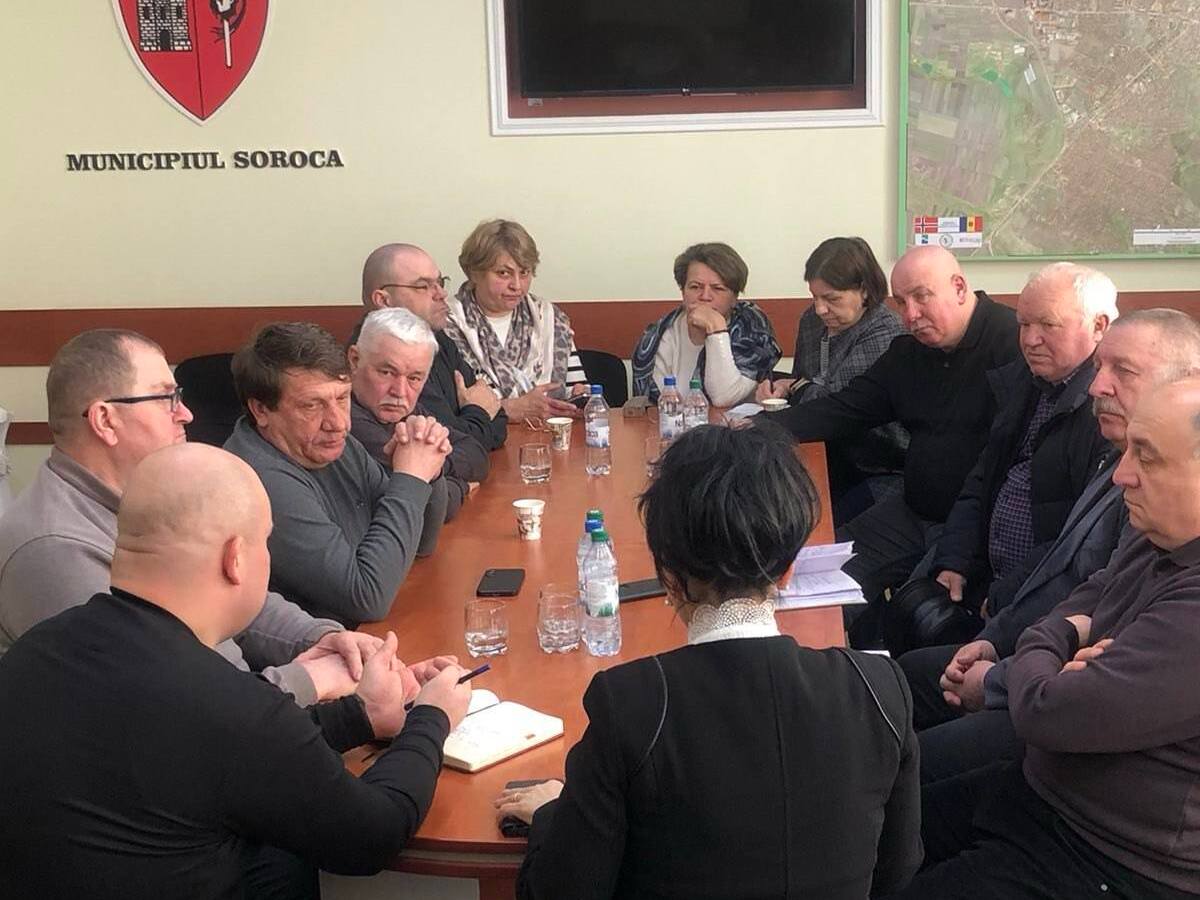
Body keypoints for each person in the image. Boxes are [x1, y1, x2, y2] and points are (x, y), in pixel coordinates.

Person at [0, 443, 473, 900]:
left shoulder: (34, 650)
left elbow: (205, 754)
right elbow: (373, 835)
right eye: (266, 541)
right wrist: (431, 718)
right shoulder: (228, 702)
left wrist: (361, 715)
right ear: (236, 559)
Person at [495, 424, 921, 900]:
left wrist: (554, 813)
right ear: (787, 570)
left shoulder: (630, 705)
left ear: (667, 575)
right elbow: (896, 872)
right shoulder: (881, 689)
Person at [885, 379, 1200, 899]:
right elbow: (1089, 594)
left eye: (1146, 457)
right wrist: (1063, 637)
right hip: (1044, 790)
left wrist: (1050, 651)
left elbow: (1045, 711)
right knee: (871, 826)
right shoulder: (1159, 537)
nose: (1121, 475)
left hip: (1113, 856)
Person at [0, 329, 378, 708]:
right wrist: (308, 681)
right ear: (105, 420)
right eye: (166, 398)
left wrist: (319, 637)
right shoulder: (53, 550)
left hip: (244, 709)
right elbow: (167, 706)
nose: (186, 414)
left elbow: (235, 592)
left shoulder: (155, 492)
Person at [904, 309, 1200, 783]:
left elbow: (1097, 677)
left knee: (910, 769)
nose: (1096, 386)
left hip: (1073, 724)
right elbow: (1087, 581)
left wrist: (1000, 675)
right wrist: (1000, 637)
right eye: (1099, 368)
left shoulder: (1168, 500)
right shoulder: (1117, 459)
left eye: (1122, 371)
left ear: (1186, 381)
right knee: (902, 688)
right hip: (1044, 666)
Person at [760, 244, 1020, 646]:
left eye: (921, 297)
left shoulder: (1013, 342)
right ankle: (805, 664)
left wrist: (960, 550)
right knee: (811, 584)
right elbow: (845, 409)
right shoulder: (909, 352)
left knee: (909, 624)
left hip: (972, 529)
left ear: (959, 287)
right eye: (901, 302)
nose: (910, 315)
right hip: (910, 509)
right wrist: (758, 429)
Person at [914, 262, 1115, 620]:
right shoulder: (1025, 383)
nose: (1030, 340)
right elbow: (981, 481)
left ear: (1098, 326)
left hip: (1037, 604)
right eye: (1024, 324)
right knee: (910, 610)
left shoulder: (1108, 414)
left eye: (1048, 325)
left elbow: (1076, 542)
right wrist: (955, 559)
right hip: (984, 577)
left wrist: (1007, 597)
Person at [225, 322, 451, 627]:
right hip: (321, 648)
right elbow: (366, 598)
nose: (338, 423)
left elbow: (420, 542)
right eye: (312, 405)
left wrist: (428, 467)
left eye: (343, 398)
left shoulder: (330, 445)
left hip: (370, 635)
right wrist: (410, 478)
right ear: (261, 410)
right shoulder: (257, 480)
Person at [755, 236, 907, 523]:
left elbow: (834, 404)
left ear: (864, 291)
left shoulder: (886, 331)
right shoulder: (811, 322)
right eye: (814, 297)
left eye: (832, 299)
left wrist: (796, 387)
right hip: (820, 451)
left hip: (876, 465)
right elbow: (803, 385)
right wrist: (780, 387)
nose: (820, 309)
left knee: (813, 524)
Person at [359, 242, 508, 450]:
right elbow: (447, 445)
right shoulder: (378, 355)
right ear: (383, 301)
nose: (441, 293)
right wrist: (478, 412)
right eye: (423, 286)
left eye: (440, 282)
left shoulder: (438, 340)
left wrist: (475, 417)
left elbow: (497, 419)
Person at [349, 307, 489, 521]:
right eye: (386, 372)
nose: (399, 391)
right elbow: (428, 507)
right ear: (354, 360)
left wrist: (433, 464)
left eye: (414, 378)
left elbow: (477, 455)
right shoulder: (345, 419)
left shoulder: (404, 410)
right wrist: (460, 486)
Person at [443, 219, 589, 422]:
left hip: (549, 436)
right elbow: (440, 410)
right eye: (504, 273)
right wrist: (507, 410)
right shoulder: (445, 323)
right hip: (476, 439)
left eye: (525, 272)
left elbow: (576, 388)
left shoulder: (549, 318)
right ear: (474, 273)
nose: (517, 285)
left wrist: (579, 398)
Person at [632, 241, 781, 406]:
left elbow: (724, 397)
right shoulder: (659, 337)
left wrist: (716, 329)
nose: (705, 296)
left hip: (738, 422)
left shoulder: (751, 328)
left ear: (735, 298)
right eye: (695, 287)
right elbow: (661, 407)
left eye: (718, 288)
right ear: (683, 291)